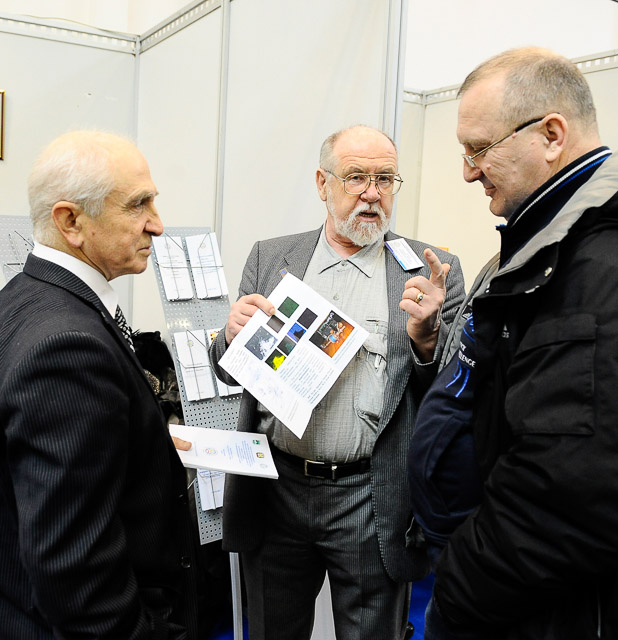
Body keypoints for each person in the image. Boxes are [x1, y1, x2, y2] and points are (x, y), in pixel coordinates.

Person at [424, 47, 618, 639]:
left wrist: (458, 591)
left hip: (565, 611)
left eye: (479, 149)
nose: (468, 172)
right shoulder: (561, 246)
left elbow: (580, 499)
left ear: (552, 136)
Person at [208, 124, 466, 639]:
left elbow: (450, 391)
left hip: (371, 496)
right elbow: (229, 369)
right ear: (322, 183)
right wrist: (230, 338)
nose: (372, 193)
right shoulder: (271, 258)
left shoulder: (431, 272)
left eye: (385, 179)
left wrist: (426, 340)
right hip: (277, 490)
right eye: (355, 177)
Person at [0, 131, 197, 639]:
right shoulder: (68, 347)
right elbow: (77, 574)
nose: (157, 224)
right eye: (138, 205)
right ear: (71, 222)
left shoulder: (23, 295)